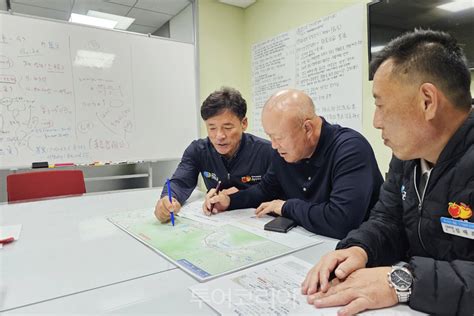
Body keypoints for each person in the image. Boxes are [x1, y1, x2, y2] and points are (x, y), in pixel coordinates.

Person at [301, 29, 474, 316]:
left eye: (381, 105)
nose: (376, 121)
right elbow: (387, 218)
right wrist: (359, 249)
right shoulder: (407, 156)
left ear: (427, 101)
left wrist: (405, 281)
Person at [204, 88, 383, 239]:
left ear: (307, 128)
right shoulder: (282, 152)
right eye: (270, 137)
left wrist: (285, 206)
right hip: (309, 241)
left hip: (357, 250)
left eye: (279, 137)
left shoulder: (350, 149)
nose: (274, 145)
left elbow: (341, 221)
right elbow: (264, 190)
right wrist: (229, 201)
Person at [154, 87, 272, 223]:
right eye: (212, 128)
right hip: (215, 223)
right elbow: (180, 182)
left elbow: (276, 192)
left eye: (227, 128)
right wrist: (168, 200)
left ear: (243, 123)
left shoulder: (267, 151)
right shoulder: (198, 150)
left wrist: (237, 198)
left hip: (259, 225)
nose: (219, 136)